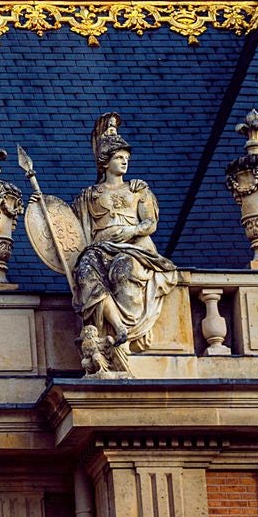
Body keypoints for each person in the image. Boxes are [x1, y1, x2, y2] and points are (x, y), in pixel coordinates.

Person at [71, 115, 178, 354]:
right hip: (99, 250)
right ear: (105, 162)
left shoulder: (137, 190)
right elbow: (69, 227)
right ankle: (118, 327)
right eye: (119, 157)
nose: (124, 162)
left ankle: (130, 330)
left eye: (126, 158)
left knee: (123, 269)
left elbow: (150, 223)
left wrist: (132, 230)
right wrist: (42, 208)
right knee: (85, 272)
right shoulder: (89, 195)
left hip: (133, 247)